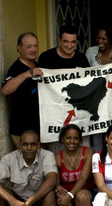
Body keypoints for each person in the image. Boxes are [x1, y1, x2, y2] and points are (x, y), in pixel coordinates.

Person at [38, 24, 90, 153]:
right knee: (58, 154)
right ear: (59, 40)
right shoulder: (46, 58)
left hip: (79, 116)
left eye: (73, 42)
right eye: (66, 41)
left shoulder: (81, 58)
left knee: (83, 152)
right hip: (56, 117)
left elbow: (89, 83)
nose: (69, 45)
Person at [54, 124, 94, 206]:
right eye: (68, 138)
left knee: (82, 196)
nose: (72, 141)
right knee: (61, 197)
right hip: (67, 193)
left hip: (85, 191)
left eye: (75, 138)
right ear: (62, 139)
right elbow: (53, 177)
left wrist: (70, 195)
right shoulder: (57, 157)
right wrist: (57, 186)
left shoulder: (87, 152)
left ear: (79, 140)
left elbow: (83, 178)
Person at [2, 32, 43, 149]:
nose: (33, 49)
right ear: (19, 48)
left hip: (40, 129)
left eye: (35, 46)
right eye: (28, 46)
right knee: (25, 166)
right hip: (22, 131)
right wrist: (27, 74)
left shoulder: (39, 66)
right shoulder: (15, 68)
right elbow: (6, 90)